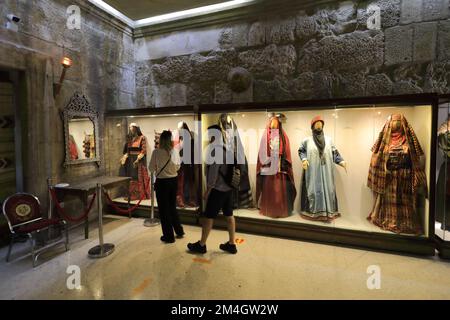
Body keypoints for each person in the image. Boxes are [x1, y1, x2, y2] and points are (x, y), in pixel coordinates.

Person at [187, 125, 237, 254]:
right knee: (229, 215)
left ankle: (201, 245)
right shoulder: (227, 148)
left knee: (209, 217)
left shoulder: (216, 151)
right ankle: (232, 244)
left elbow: (213, 173)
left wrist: (207, 191)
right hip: (229, 189)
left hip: (218, 190)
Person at [298, 115, 346, 222]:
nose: (319, 126)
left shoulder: (329, 140)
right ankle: (313, 212)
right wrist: (304, 159)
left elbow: (334, 153)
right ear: (312, 126)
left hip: (326, 172)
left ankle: (328, 211)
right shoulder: (307, 140)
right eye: (316, 124)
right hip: (313, 171)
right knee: (313, 190)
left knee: (328, 189)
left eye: (321, 124)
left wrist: (341, 161)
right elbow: (301, 151)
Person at [149, 130, 184, 243]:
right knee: (172, 207)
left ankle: (169, 236)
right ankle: (179, 230)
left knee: (164, 210)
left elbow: (151, 168)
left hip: (162, 182)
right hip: (173, 180)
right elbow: (178, 167)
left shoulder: (156, 152)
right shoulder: (175, 152)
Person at [119, 123, 151, 201]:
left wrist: (137, 160)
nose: (131, 131)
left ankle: (137, 194)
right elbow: (127, 150)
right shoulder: (129, 139)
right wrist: (124, 157)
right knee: (130, 176)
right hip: (130, 160)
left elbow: (143, 150)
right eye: (130, 129)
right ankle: (131, 193)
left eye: (132, 129)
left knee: (136, 177)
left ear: (136, 129)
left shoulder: (142, 138)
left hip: (138, 160)